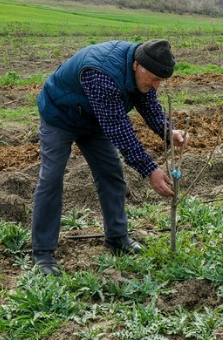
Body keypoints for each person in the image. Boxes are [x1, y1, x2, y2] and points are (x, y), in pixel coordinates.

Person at [31, 39, 189, 275]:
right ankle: (43, 252)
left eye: (161, 81)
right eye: (154, 79)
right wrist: (150, 170)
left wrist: (168, 130)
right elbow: (119, 129)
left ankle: (117, 238)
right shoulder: (102, 73)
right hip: (60, 115)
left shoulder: (143, 68)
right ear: (136, 65)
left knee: (112, 173)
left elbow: (148, 103)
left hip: (94, 118)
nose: (156, 86)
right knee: (52, 178)